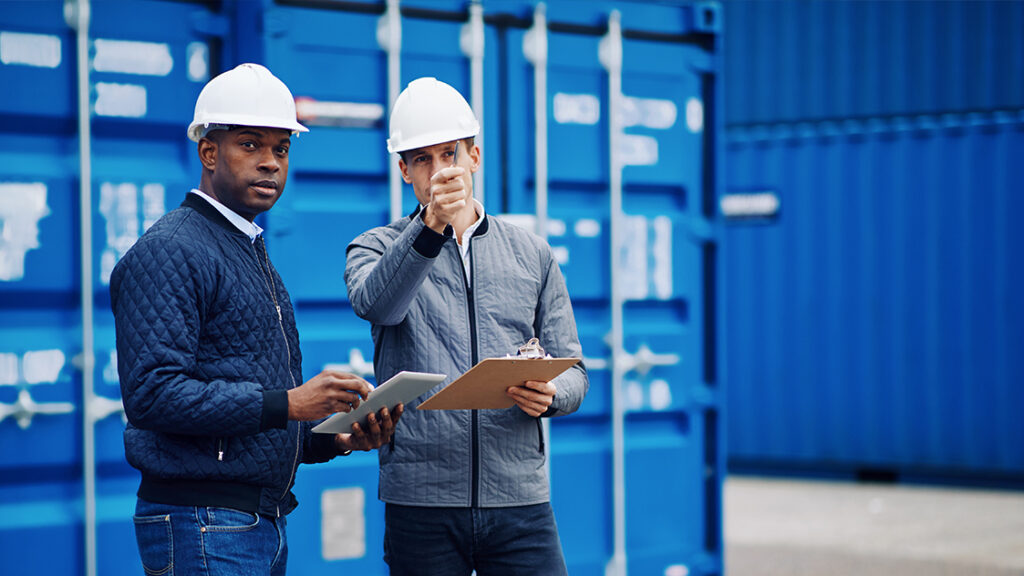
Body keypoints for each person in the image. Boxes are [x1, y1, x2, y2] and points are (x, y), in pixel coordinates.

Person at [110, 63, 402, 576]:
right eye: (250, 145)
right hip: (201, 522)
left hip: (250, 521)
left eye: (281, 149)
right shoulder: (171, 251)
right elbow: (152, 394)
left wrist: (334, 438)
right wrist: (290, 403)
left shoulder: (242, 247)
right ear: (208, 152)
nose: (270, 163)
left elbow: (255, 414)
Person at [345, 77, 589, 575]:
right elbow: (380, 306)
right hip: (421, 500)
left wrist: (554, 392)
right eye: (422, 159)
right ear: (403, 170)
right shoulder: (372, 247)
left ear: (474, 157)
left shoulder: (532, 253)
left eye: (449, 155)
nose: (439, 172)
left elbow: (575, 369)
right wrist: (429, 227)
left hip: (520, 498)